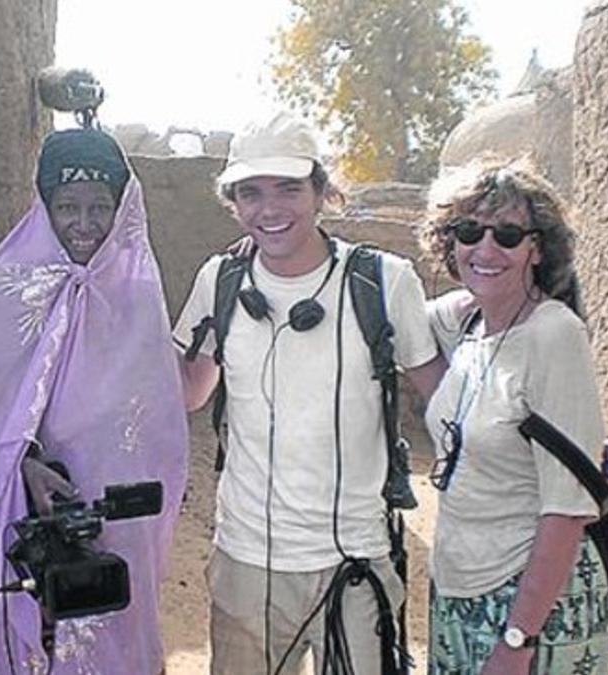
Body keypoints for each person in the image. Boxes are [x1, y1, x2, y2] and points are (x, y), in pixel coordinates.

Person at [174, 112, 446, 674]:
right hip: (247, 563)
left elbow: (444, 401)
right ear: (232, 202)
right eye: (250, 192)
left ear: (323, 191)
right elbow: (189, 394)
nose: (269, 209)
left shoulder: (383, 282)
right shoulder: (218, 281)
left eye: (288, 188)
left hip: (356, 561)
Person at [0, 126, 189, 674]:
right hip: (29, 518)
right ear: (43, 206)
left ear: (122, 209)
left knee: (113, 630)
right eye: (67, 207)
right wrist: (26, 468)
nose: (84, 224)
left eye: (99, 207)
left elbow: (157, 429)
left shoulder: (137, 296)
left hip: (118, 518)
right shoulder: (1, 290)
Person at [419, 158, 608, 674]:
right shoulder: (470, 326)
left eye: (507, 235)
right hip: (458, 590)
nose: (485, 249)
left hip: (530, 605)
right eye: (468, 231)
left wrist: (517, 639)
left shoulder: (554, 336)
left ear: (537, 248)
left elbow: (567, 509)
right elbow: (393, 312)